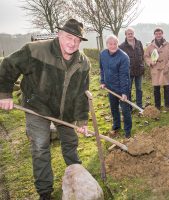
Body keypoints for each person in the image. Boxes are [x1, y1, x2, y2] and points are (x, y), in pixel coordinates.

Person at [0, 18, 90, 199]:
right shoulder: (35, 50)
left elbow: (82, 93)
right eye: (68, 37)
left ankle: (78, 177)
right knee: (40, 146)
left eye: (77, 40)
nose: (72, 43)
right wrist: (5, 94)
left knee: (70, 143)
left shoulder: (83, 62)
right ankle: (45, 191)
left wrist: (81, 120)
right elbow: (8, 65)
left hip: (66, 111)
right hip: (37, 107)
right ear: (59, 34)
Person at [100, 35, 132, 138]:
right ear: (107, 44)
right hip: (110, 87)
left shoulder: (123, 57)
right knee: (114, 109)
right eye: (110, 44)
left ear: (117, 44)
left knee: (125, 110)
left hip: (122, 88)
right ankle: (117, 125)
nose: (113, 46)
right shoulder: (103, 54)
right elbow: (102, 69)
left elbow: (124, 76)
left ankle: (128, 131)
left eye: (115, 44)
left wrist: (124, 92)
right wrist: (103, 81)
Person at [144, 28, 169, 110]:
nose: (158, 35)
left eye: (160, 33)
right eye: (156, 34)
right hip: (155, 69)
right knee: (156, 89)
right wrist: (150, 62)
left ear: (162, 34)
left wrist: (168, 66)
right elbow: (146, 56)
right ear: (154, 35)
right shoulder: (150, 46)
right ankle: (157, 106)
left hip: (165, 69)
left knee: (167, 88)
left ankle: (167, 105)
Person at [119, 27, 145, 110]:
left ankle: (139, 106)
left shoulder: (139, 43)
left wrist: (142, 64)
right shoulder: (122, 46)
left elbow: (142, 55)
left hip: (139, 70)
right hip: (128, 72)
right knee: (128, 89)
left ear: (134, 34)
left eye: (131, 33)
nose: (130, 35)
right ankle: (129, 106)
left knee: (139, 89)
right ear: (126, 35)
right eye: (128, 33)